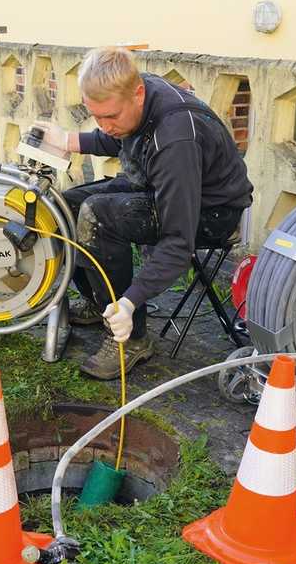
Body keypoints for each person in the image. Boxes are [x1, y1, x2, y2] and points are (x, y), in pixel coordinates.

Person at [34, 47, 253, 379]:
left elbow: (178, 243)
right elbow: (120, 137)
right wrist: (66, 140)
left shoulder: (176, 137)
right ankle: (99, 302)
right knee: (65, 206)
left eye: (110, 116)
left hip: (212, 212)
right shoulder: (133, 95)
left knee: (97, 216)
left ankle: (132, 338)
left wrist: (131, 302)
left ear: (138, 94)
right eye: (96, 116)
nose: (104, 126)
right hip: (157, 184)